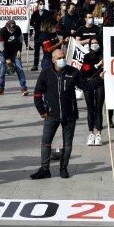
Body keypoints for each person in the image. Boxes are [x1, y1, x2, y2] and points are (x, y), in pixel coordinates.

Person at [30, 49, 83, 180]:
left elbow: (86, 85)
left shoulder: (73, 72)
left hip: (69, 115)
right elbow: (37, 94)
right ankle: (44, 169)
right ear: (53, 59)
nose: (62, 59)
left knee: (68, 144)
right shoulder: (46, 73)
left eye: (64, 57)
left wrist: (100, 79)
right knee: (45, 143)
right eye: (59, 57)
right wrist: (42, 111)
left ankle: (63, 168)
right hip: (51, 115)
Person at [80, 36, 105, 147]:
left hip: (100, 83)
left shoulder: (104, 55)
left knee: (98, 108)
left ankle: (98, 133)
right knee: (90, 109)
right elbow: (85, 71)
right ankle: (91, 133)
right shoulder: (87, 56)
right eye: (93, 43)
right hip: (88, 83)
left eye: (96, 42)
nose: (94, 44)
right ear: (89, 45)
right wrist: (97, 66)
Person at [0, 20, 28, 96]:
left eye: (13, 28)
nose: (12, 30)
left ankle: (24, 87)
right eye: (10, 28)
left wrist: (19, 50)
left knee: (19, 69)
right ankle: (1, 88)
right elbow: (1, 47)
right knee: (2, 70)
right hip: (3, 53)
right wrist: (7, 58)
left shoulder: (18, 29)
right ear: (7, 27)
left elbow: (20, 41)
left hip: (15, 52)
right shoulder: (2, 32)